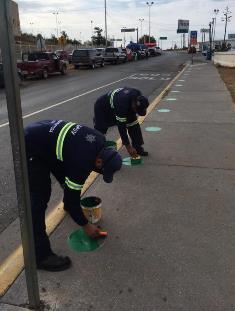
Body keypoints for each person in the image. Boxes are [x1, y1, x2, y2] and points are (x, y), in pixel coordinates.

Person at [24, 120, 122, 271]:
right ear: (99, 160)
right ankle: (41, 257)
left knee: (67, 181)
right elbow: (73, 198)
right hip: (31, 145)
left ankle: (67, 207)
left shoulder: (100, 141)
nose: (98, 172)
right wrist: (86, 225)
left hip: (46, 138)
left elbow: (69, 173)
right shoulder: (82, 161)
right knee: (40, 197)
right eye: (101, 170)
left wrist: (72, 203)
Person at [93, 87, 149, 158]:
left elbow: (136, 116)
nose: (136, 112)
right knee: (100, 130)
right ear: (134, 105)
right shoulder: (122, 104)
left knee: (133, 124)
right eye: (136, 110)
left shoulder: (138, 95)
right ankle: (95, 152)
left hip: (122, 106)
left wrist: (136, 147)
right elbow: (121, 127)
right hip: (102, 108)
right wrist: (128, 147)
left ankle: (137, 147)